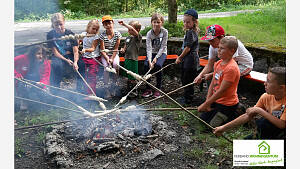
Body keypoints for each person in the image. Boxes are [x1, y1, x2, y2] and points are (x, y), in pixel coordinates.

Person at [214, 67, 286, 139]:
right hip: (272, 132)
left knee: (264, 123)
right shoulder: (266, 96)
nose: (265, 83)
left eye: (268, 81)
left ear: (281, 87)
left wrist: (259, 110)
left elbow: (282, 124)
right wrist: (223, 128)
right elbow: (248, 115)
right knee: (242, 147)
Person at [198, 36, 240, 128]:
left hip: (227, 104)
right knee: (202, 119)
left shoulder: (231, 68)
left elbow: (222, 91)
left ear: (232, 51)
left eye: (222, 48)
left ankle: (235, 113)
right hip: (217, 100)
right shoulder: (218, 63)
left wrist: (206, 104)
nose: (218, 50)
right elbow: (213, 83)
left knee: (210, 127)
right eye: (218, 47)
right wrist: (207, 101)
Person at [46, 13, 85, 93]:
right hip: (58, 56)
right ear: (53, 25)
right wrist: (66, 60)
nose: (59, 27)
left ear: (64, 22)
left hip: (70, 54)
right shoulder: (50, 35)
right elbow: (55, 52)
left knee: (81, 64)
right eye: (56, 25)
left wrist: (75, 62)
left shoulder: (70, 34)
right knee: (57, 65)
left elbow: (75, 51)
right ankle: (55, 90)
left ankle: (80, 88)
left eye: (61, 24)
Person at [14, 45, 51, 111]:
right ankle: (24, 101)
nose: (41, 56)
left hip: (38, 83)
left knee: (45, 94)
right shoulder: (23, 58)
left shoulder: (45, 63)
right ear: (32, 53)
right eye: (38, 53)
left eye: (42, 54)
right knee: (22, 85)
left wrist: (42, 83)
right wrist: (17, 74)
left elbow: (46, 76)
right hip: (24, 81)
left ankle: (43, 103)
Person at [175, 9, 200, 105]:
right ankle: (187, 96)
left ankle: (188, 99)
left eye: (188, 22)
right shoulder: (191, 31)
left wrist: (180, 57)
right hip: (190, 60)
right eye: (184, 21)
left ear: (194, 22)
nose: (185, 23)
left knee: (186, 79)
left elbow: (188, 48)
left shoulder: (190, 33)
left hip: (190, 61)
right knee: (186, 78)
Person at [142, 13, 168, 98]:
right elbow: (149, 48)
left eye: (158, 22)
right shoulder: (149, 33)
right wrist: (149, 60)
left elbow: (163, 46)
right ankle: (148, 88)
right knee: (146, 65)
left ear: (162, 23)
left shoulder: (164, 32)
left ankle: (158, 88)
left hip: (162, 52)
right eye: (154, 22)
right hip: (152, 52)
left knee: (158, 65)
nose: (156, 24)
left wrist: (156, 58)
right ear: (151, 23)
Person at [99, 15, 122, 97]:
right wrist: (107, 59)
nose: (108, 25)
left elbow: (116, 48)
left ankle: (114, 84)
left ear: (113, 23)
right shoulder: (102, 36)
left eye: (109, 23)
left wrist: (112, 58)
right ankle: (106, 87)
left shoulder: (117, 34)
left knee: (116, 65)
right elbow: (102, 49)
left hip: (114, 54)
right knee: (106, 67)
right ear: (104, 26)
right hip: (105, 55)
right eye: (105, 24)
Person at [118, 20, 142, 96]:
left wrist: (124, 24)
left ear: (137, 30)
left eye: (130, 29)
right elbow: (124, 48)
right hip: (127, 59)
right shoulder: (128, 38)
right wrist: (122, 50)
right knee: (128, 76)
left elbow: (134, 31)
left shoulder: (138, 37)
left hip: (133, 60)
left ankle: (134, 91)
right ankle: (129, 90)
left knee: (133, 76)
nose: (128, 30)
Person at [80, 19, 101, 96]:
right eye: (93, 28)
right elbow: (79, 41)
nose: (95, 31)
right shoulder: (84, 34)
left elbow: (92, 49)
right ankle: (86, 91)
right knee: (84, 74)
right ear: (88, 27)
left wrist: (85, 50)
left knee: (92, 75)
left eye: (96, 29)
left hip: (93, 58)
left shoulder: (96, 37)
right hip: (85, 57)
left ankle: (92, 93)